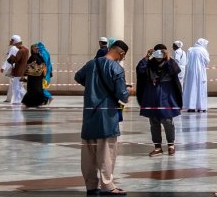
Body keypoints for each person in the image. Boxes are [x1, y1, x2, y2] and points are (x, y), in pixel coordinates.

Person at [74, 39, 129, 195]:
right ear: (121, 53)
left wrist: (92, 85)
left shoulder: (92, 63)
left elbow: (78, 77)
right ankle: (107, 186)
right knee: (106, 152)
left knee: (88, 152)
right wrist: (128, 93)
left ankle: (91, 185)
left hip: (89, 114)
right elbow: (122, 95)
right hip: (107, 115)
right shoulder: (116, 68)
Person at [136, 44, 182, 156]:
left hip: (166, 97)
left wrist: (168, 58)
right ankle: (157, 147)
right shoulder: (149, 64)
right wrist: (147, 57)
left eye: (162, 52)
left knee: (167, 121)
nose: (159, 54)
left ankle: (171, 144)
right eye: (157, 52)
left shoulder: (169, 63)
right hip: (151, 98)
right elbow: (139, 70)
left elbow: (176, 70)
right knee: (154, 122)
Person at [182, 38, 210, 112]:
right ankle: (201, 107)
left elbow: (186, 60)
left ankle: (191, 106)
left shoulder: (190, 50)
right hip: (200, 72)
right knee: (201, 89)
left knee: (191, 88)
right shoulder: (203, 50)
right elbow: (207, 61)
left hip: (190, 72)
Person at [22, 41, 53, 108]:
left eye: (37, 47)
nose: (36, 48)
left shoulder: (40, 55)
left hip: (39, 77)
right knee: (34, 90)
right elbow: (30, 66)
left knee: (38, 89)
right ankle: (32, 102)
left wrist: (44, 71)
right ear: (32, 49)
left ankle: (39, 101)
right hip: (33, 78)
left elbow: (44, 64)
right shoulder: (32, 57)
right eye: (35, 47)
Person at [8, 37, 30, 105]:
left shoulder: (21, 51)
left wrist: (11, 58)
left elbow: (15, 60)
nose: (15, 46)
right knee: (20, 86)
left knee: (16, 87)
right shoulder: (26, 49)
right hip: (22, 70)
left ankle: (17, 100)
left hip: (18, 71)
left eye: (15, 45)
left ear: (17, 43)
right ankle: (26, 98)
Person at [2, 35, 19, 103]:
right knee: (13, 84)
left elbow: (9, 59)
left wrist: (3, 67)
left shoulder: (13, 48)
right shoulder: (16, 48)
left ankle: (22, 97)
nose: (10, 41)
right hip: (16, 68)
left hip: (13, 69)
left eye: (11, 40)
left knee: (15, 84)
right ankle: (9, 98)